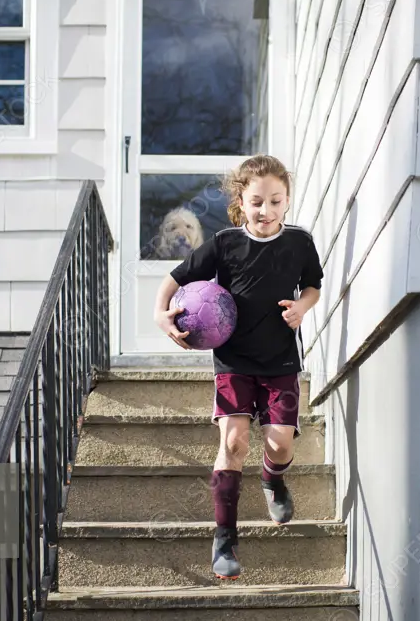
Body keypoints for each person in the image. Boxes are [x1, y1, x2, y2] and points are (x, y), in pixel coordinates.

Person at [152, 154, 324, 580]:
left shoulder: (300, 243)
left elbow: (313, 286)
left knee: (281, 443)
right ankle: (225, 537)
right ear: (241, 202)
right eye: (257, 202)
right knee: (232, 443)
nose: (266, 211)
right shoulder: (225, 245)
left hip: (280, 360)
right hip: (233, 361)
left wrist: (302, 308)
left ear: (287, 202)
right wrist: (160, 313)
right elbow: (175, 278)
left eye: (276, 202)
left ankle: (272, 479)